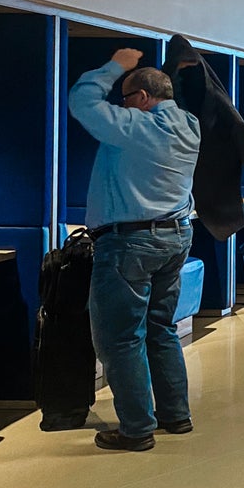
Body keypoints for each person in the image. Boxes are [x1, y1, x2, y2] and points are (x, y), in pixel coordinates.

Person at [68, 49, 201, 452]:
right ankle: (175, 415)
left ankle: (136, 428)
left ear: (143, 98)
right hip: (176, 235)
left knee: (120, 337)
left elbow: (81, 102)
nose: (120, 105)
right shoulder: (189, 125)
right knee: (161, 329)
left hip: (130, 242)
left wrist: (114, 67)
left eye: (125, 98)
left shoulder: (137, 126)